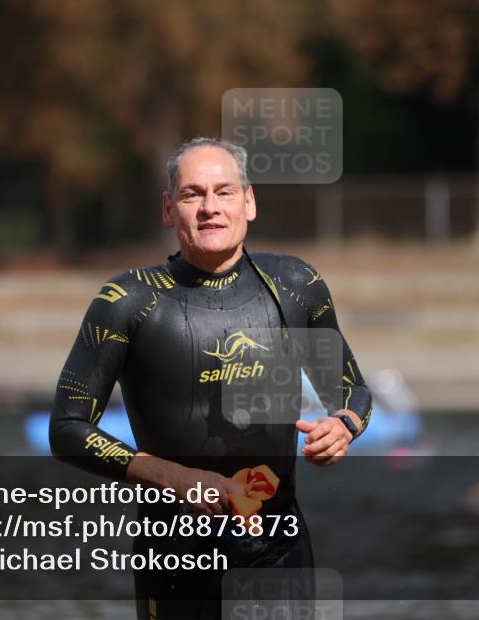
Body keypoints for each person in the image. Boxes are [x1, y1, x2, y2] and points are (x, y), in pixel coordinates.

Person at [49, 137, 373, 619]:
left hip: (278, 551)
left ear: (250, 201)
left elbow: (352, 390)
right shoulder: (127, 301)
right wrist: (178, 479)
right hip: (175, 556)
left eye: (224, 192)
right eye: (191, 194)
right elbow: (68, 428)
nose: (209, 208)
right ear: (167, 209)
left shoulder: (295, 285)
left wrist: (344, 424)